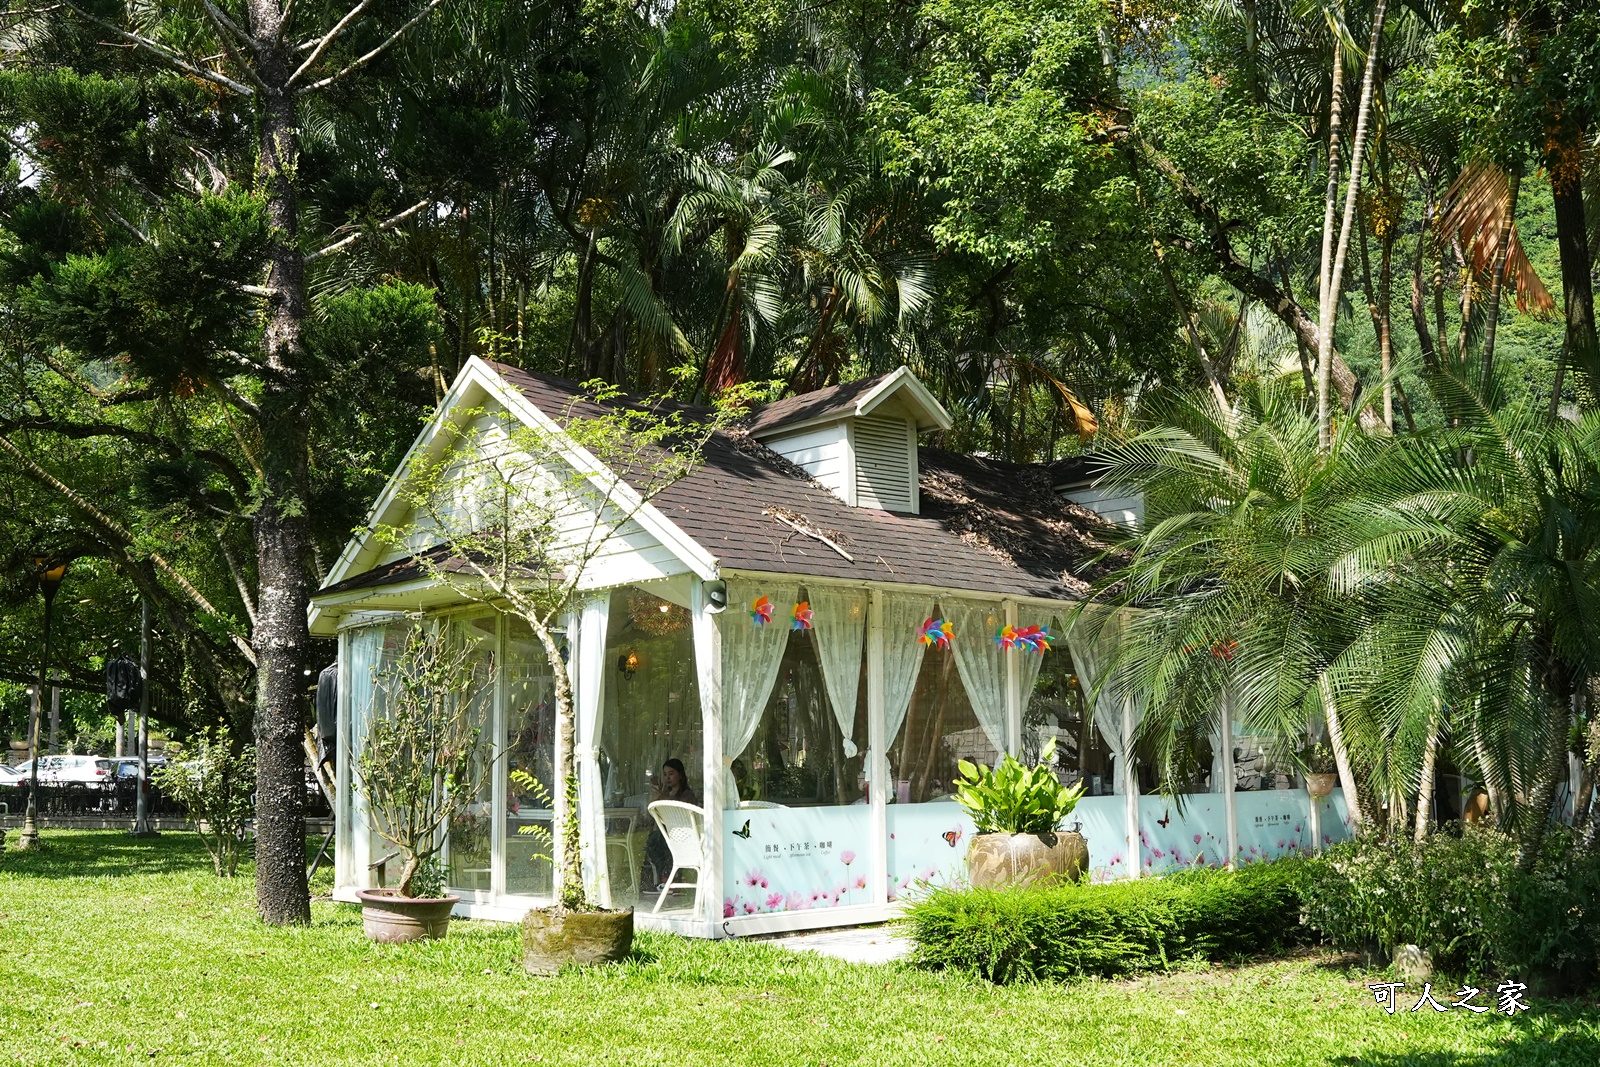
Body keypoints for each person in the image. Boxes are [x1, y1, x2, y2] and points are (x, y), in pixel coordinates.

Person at [641, 758, 699, 895]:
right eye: (665, 774)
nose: (667, 777)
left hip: (685, 836)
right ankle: (665, 879)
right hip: (667, 835)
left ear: (680, 774)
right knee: (654, 839)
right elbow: (653, 813)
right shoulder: (665, 794)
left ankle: (669, 880)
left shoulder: (687, 795)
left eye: (671, 773)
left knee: (662, 839)